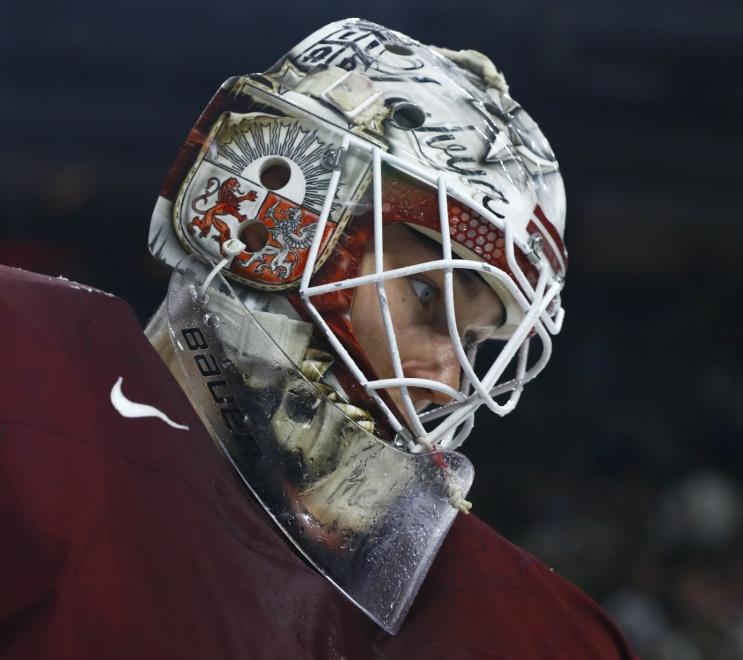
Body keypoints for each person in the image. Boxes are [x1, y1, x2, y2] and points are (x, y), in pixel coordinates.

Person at [0, 18, 635, 659]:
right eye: (428, 296)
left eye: (474, 342)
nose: (447, 379)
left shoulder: (499, 617)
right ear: (275, 217)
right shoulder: (23, 379)